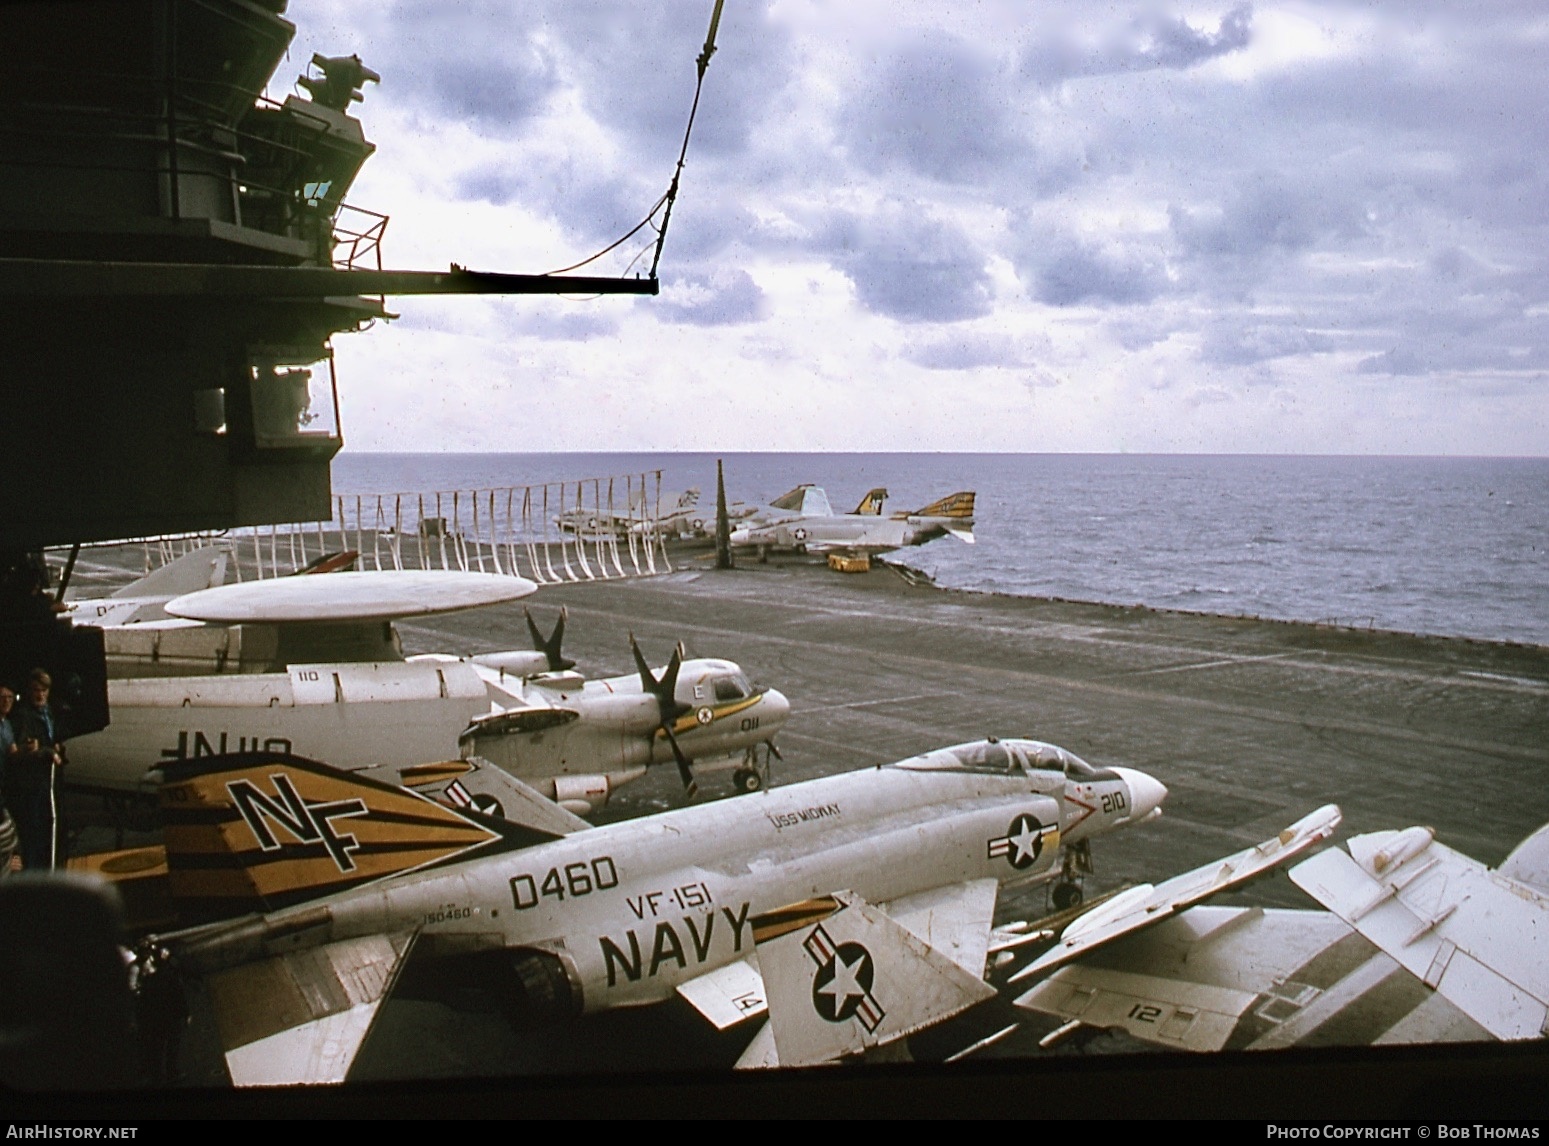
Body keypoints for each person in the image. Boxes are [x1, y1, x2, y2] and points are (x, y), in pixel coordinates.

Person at [8, 669, 64, 870]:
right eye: (35, 690)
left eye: (43, 690)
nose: (40, 695)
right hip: (30, 782)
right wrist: (46, 752)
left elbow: (51, 737)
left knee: (46, 828)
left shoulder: (48, 712)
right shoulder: (24, 716)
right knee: (31, 830)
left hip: (46, 781)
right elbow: (24, 748)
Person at [0, 685, 17, 875]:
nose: (6, 701)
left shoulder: (7, 725)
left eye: (9, 698)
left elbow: (13, 752)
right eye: (2, 697)